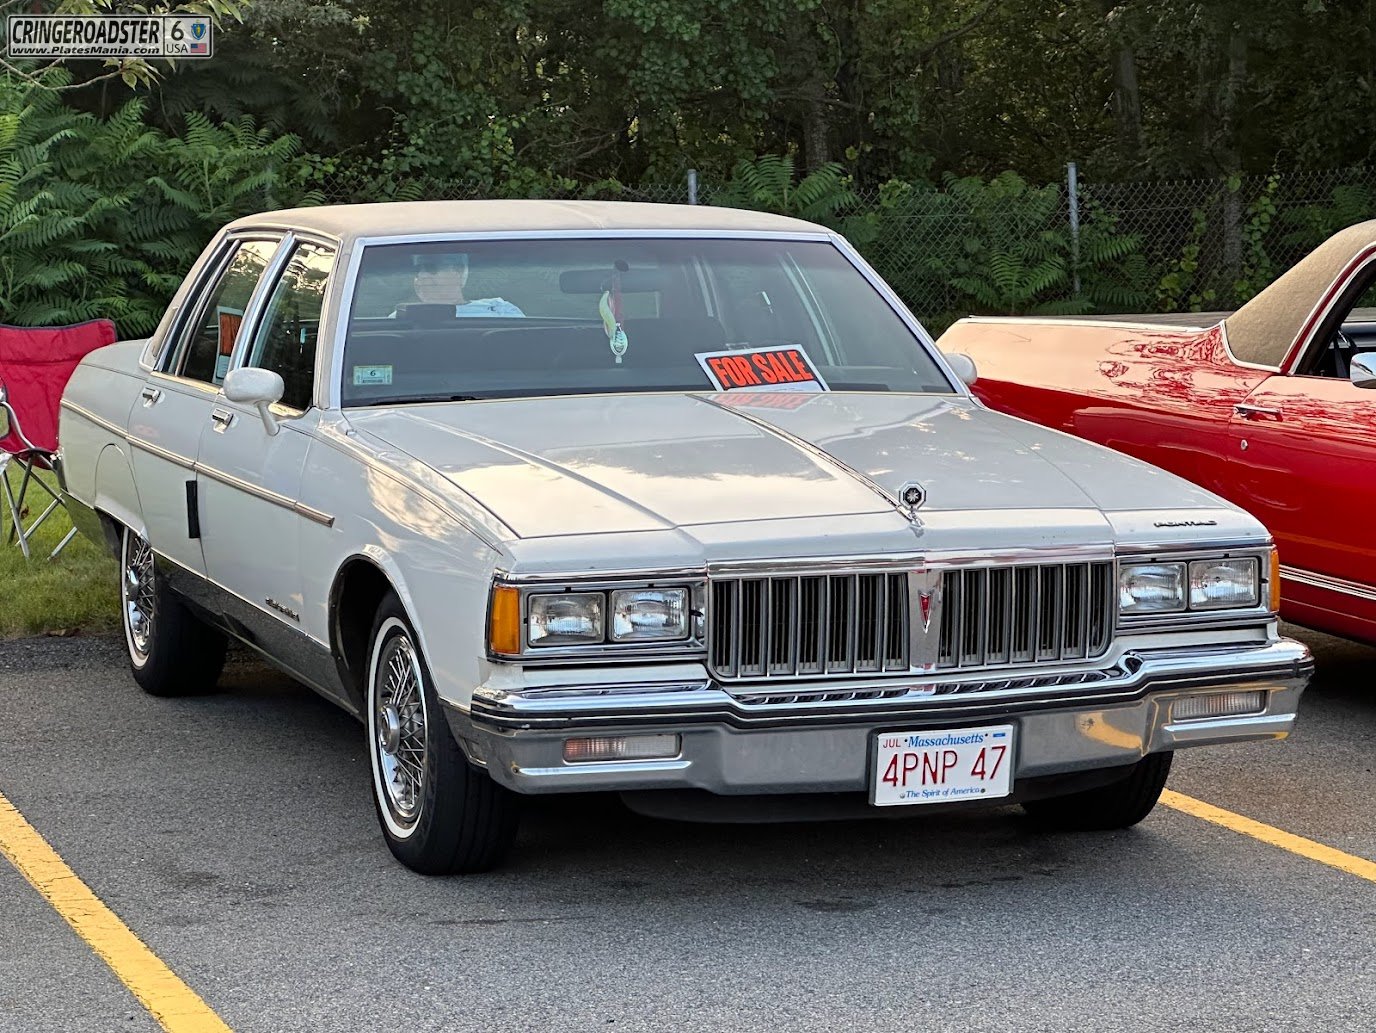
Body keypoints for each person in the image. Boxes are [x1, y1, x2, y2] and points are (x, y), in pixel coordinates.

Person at [396, 252, 525, 316]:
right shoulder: (402, 317)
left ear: (459, 272)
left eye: (431, 268)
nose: (422, 276)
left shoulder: (500, 310)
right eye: (417, 270)